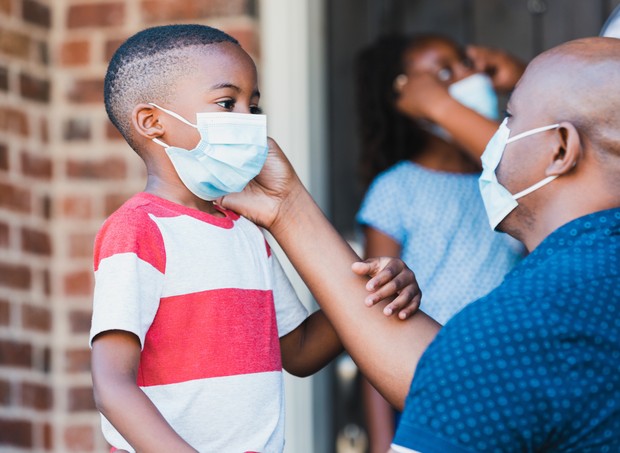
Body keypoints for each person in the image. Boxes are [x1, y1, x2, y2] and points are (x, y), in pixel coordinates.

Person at [219, 37, 620, 452]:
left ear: (560, 149)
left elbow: (489, 366)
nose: (495, 135)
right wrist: (287, 208)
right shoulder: (565, 311)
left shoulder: (523, 325)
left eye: (509, 117)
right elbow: (472, 382)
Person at [89, 24, 422, 453]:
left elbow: (301, 351)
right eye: (227, 103)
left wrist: (377, 293)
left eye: (253, 104)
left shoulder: (244, 229)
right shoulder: (137, 229)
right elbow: (112, 386)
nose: (248, 120)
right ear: (152, 122)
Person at [355, 34, 525, 452]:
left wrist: (521, 82)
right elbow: (373, 320)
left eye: (466, 63)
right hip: (421, 384)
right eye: (445, 72)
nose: (468, 76)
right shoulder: (394, 189)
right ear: (408, 99)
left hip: (509, 382)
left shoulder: (511, 181)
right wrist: (381, 439)